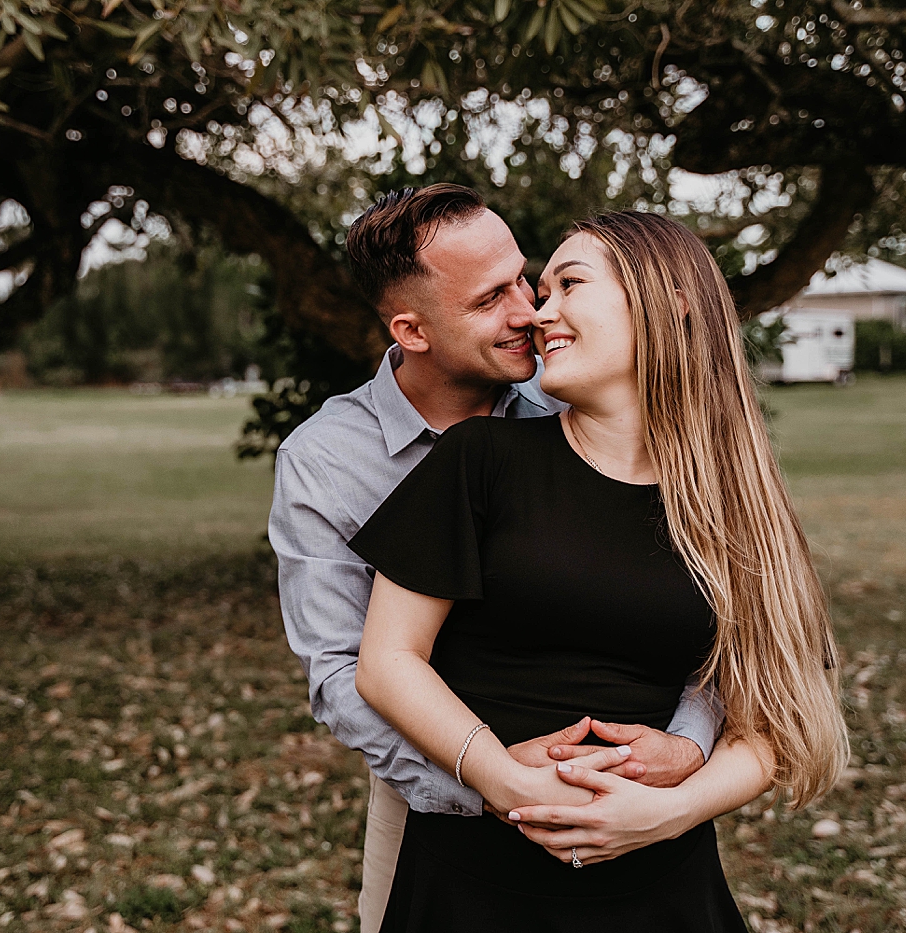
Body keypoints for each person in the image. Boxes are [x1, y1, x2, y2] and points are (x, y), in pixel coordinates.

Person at [350, 210, 849, 930]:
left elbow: (776, 716)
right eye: (540, 290)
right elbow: (387, 660)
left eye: (567, 284)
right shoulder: (481, 460)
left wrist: (670, 811)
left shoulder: (736, 502)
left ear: (668, 301)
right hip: (474, 885)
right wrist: (505, 779)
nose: (540, 312)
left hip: (659, 889)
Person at [269, 186, 726, 933]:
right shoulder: (325, 462)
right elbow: (341, 668)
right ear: (411, 330)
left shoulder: (580, 396)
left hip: (623, 791)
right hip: (433, 791)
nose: (530, 312)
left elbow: (697, 612)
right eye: (491, 299)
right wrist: (492, 780)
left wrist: (679, 749)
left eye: (527, 277)